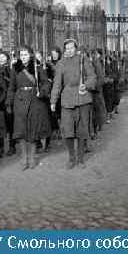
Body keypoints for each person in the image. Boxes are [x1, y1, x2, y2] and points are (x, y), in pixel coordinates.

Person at [51, 39, 96, 169]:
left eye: (72, 48)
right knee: (68, 130)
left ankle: (81, 159)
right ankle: (71, 158)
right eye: (67, 48)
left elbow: (93, 77)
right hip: (67, 100)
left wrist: (86, 85)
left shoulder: (83, 60)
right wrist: (53, 101)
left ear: (76, 48)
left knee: (82, 131)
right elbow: (57, 84)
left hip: (83, 99)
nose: (69, 50)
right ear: (64, 49)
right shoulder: (61, 64)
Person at [8, 46, 51, 170]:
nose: (23, 57)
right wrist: (9, 102)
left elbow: (46, 83)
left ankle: (32, 157)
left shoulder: (37, 68)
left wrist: (42, 92)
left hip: (34, 100)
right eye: (21, 55)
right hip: (20, 101)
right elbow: (11, 87)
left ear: (30, 55)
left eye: (26, 55)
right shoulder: (15, 69)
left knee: (32, 129)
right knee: (21, 131)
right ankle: (24, 158)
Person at [0, 50, 15, 156]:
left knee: (10, 123)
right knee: (0, 125)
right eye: (0, 57)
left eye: (3, 57)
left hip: (8, 100)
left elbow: (12, 85)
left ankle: (12, 145)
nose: (1, 59)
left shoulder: (11, 70)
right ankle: (0, 147)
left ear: (7, 59)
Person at [45, 47, 62, 141]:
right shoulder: (48, 64)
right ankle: (55, 129)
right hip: (51, 88)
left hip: (60, 88)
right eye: (52, 54)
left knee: (59, 111)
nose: (54, 55)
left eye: (56, 53)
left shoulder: (62, 63)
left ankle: (60, 129)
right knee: (52, 111)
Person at [90, 49, 107, 135]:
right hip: (89, 90)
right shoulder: (90, 63)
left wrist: (95, 87)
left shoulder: (96, 63)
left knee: (96, 109)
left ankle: (96, 128)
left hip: (95, 91)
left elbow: (100, 78)